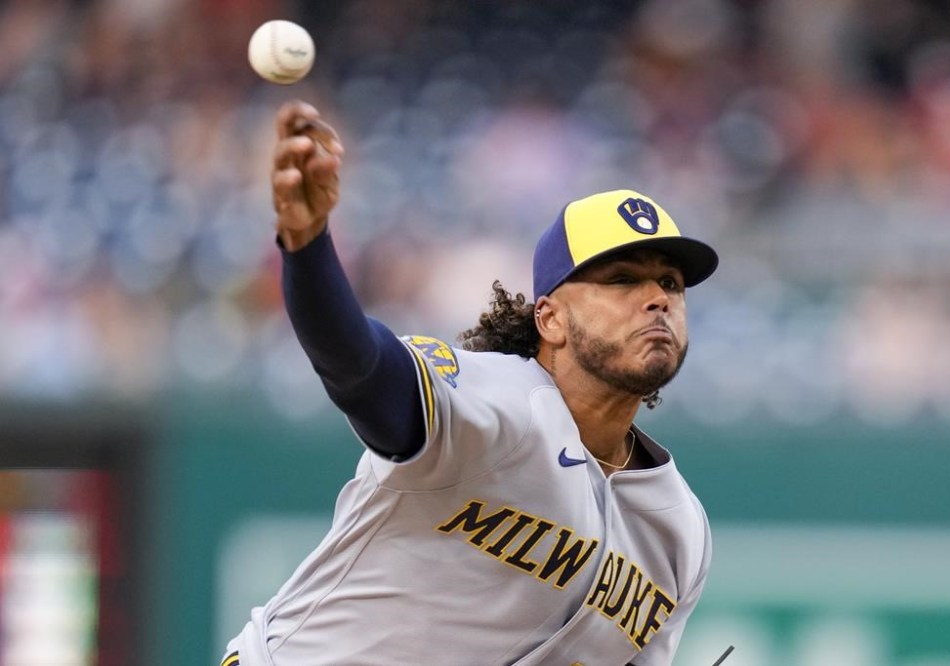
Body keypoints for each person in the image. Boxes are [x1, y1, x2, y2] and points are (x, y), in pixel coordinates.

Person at [222, 100, 719, 666]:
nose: (657, 298)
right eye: (623, 279)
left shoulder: (678, 530)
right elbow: (359, 367)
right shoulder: (492, 403)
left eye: (671, 283)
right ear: (551, 319)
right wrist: (308, 248)